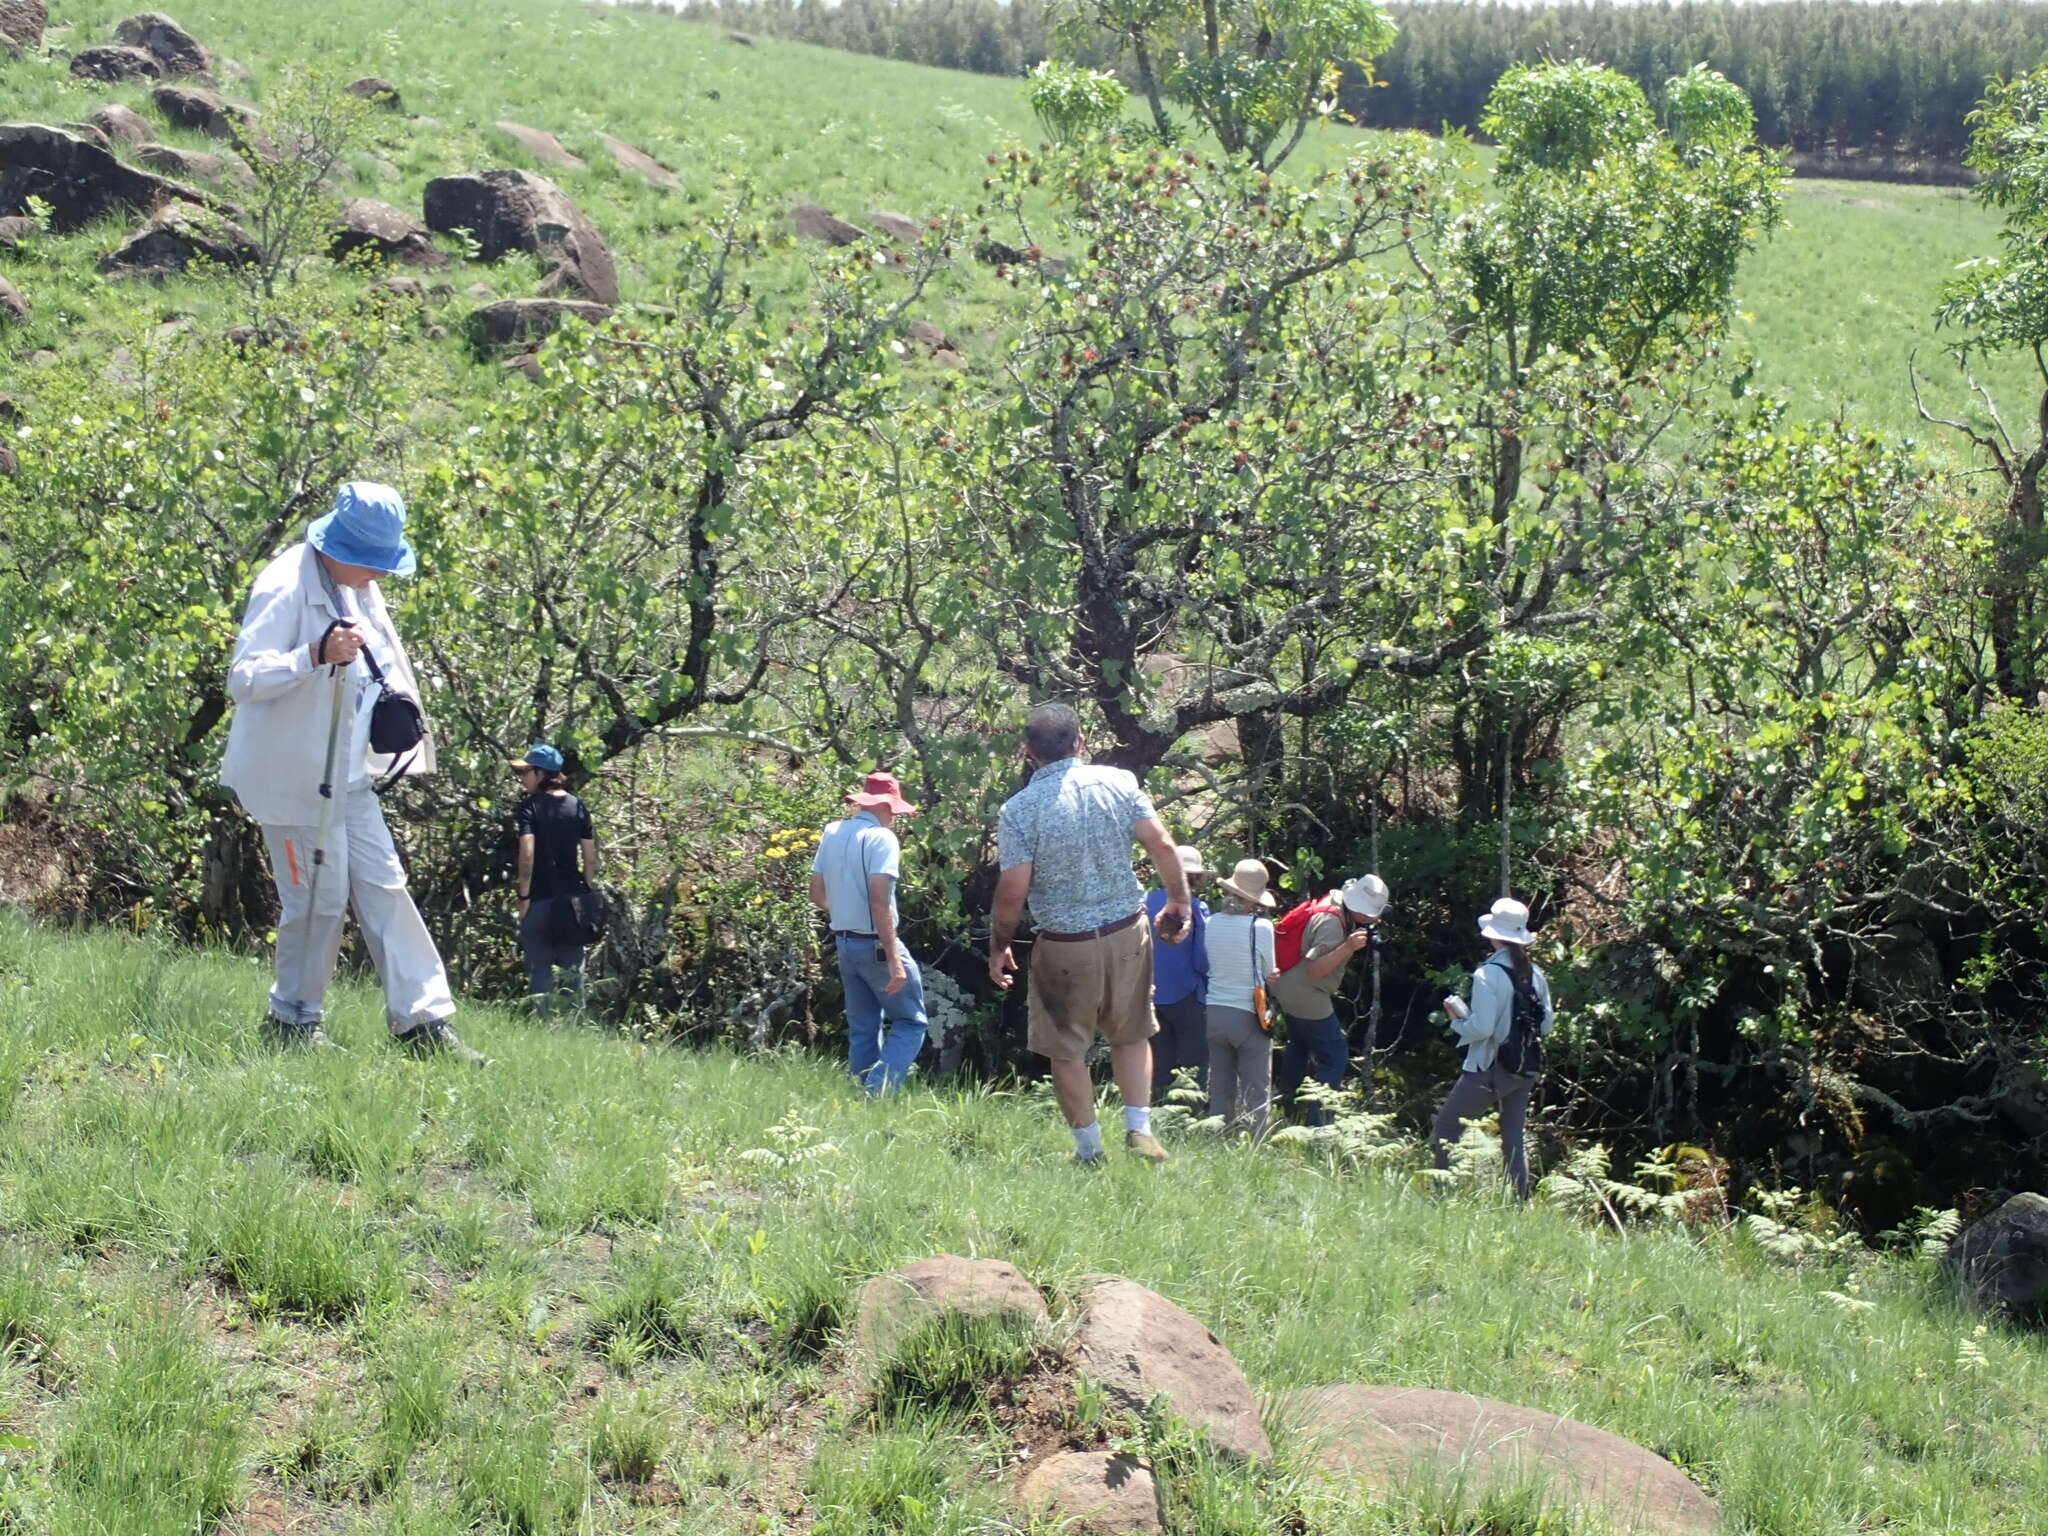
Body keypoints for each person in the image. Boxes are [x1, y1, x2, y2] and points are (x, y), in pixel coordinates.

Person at [220, 482, 485, 1064]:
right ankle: (292, 1019)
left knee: (386, 887)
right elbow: (243, 678)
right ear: (336, 546)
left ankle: (424, 1024)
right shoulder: (284, 584)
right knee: (317, 897)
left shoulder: (356, 584)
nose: (381, 576)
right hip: (292, 781)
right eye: (372, 563)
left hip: (350, 775)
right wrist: (312, 655)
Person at [989, 703, 1192, 1165]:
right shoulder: (1118, 783)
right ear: (1079, 743)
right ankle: (1140, 1131)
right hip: (1127, 933)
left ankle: (1089, 1152)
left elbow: (1012, 890)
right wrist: (1178, 899)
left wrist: (999, 945)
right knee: (1132, 1035)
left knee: (1067, 1050)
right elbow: (1160, 843)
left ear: (1028, 752)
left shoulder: (1019, 811)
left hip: (1064, 945)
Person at [809, 771, 928, 1095]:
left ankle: (859, 1092)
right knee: (910, 1022)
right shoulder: (882, 839)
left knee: (863, 1027)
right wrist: (894, 959)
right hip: (876, 945)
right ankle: (876, 1092)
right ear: (888, 807)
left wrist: (845, 910)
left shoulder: (832, 831)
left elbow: (816, 894)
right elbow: (880, 901)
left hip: (844, 942)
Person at [1432, 897, 1555, 1197]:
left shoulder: (1487, 974)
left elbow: (1483, 1028)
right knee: (1514, 1138)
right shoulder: (1536, 974)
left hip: (1490, 1069)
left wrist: (1457, 1022)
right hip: (1525, 1069)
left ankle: (1440, 1198)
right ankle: (1517, 1204)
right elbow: (1547, 1025)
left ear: (1492, 934)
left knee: (1445, 1131)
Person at [1270, 873, 1388, 1125]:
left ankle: (1286, 1105)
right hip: (1306, 992)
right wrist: (1347, 947)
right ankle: (1318, 1123)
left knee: (1299, 1045)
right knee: (1335, 1056)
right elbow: (1314, 970)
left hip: (1288, 987)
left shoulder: (1335, 900)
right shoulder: (1331, 922)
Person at [512, 744, 600, 1016]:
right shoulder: (577, 806)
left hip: (539, 899)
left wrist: (524, 897)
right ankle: (576, 1029)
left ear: (541, 774)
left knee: (539, 971)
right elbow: (590, 856)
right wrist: (588, 889)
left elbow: (527, 854)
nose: (522, 777)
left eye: (525, 771)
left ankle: (541, 1026)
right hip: (573, 903)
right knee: (574, 974)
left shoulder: (529, 807)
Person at [1204, 859, 1279, 1139]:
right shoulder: (1260, 927)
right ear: (1254, 899)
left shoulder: (1210, 923)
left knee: (1220, 1087)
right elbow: (1268, 972)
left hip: (1214, 1011)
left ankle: (1215, 1139)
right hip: (1247, 1013)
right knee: (1256, 1088)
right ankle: (1257, 1144)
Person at [1145, 845, 1211, 1105]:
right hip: (1187, 994)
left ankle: (1159, 1114)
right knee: (1194, 1064)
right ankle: (1190, 1118)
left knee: (1160, 1060)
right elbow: (1202, 959)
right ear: (1195, 877)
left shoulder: (1145, 902)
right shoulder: (1196, 908)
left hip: (1150, 993)